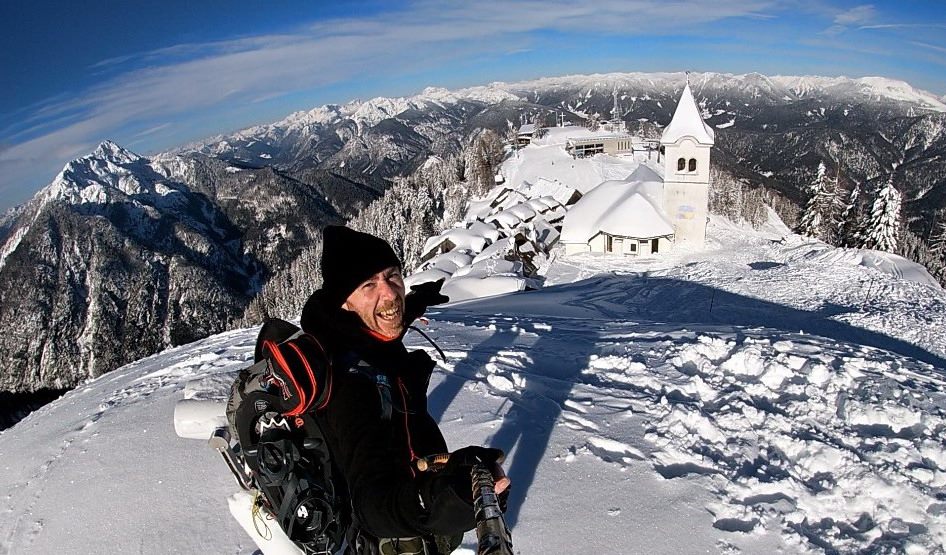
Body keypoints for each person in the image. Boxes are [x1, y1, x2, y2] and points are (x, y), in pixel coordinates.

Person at [300, 225, 507, 555]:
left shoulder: (358, 330)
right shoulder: (350, 383)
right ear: (344, 302)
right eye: (368, 284)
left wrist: (418, 301)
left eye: (392, 275)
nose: (390, 293)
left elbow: (391, 313)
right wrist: (438, 501)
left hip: (418, 478)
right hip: (391, 537)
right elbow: (371, 504)